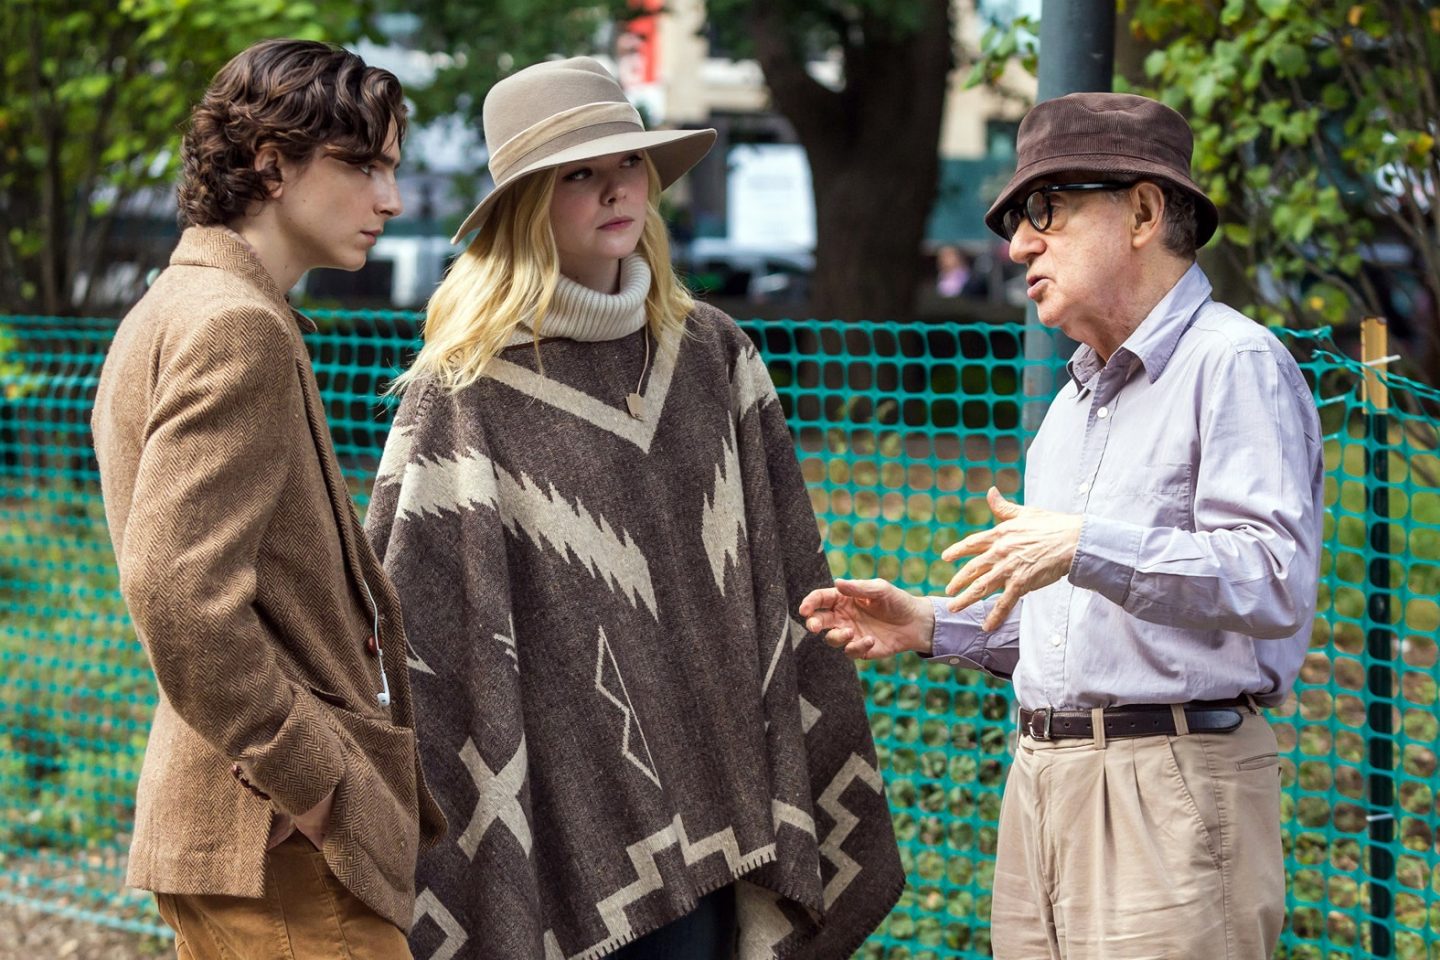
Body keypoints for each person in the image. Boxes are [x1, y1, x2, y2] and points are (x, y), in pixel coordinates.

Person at [365, 57, 903, 960]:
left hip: (729, 806)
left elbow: (781, 570)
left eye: (629, 163)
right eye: (579, 173)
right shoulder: (468, 389)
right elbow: (412, 622)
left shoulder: (712, 359)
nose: (617, 188)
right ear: (525, 205)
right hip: (553, 821)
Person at [800, 92, 1324, 959]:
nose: (1017, 246)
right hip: (1041, 780)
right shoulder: (1072, 407)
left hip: (1173, 786)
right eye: (1016, 220)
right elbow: (1086, 628)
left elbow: (1272, 577)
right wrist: (931, 623)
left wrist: (1084, 543)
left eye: (1047, 210)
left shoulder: (1233, 363)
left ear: (1144, 212)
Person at [91, 39, 444, 959]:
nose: (391, 200)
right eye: (363, 165)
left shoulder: (173, 303)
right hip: (275, 838)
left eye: (393, 169)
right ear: (270, 163)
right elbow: (174, 590)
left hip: (238, 829)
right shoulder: (235, 327)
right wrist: (310, 779)